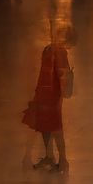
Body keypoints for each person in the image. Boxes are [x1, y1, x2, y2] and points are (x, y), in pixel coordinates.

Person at [22, 25, 74, 173]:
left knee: (48, 127)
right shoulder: (59, 52)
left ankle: (57, 159)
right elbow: (62, 76)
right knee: (52, 128)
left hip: (46, 94)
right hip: (51, 96)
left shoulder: (49, 49)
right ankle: (55, 159)